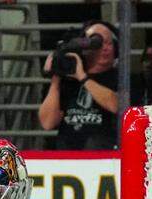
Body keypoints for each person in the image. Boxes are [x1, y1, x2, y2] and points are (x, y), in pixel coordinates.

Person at [38, 20, 119, 150]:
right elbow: (47, 123)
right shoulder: (68, 80)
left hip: (105, 157)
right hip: (68, 156)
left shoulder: (121, 77)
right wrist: (56, 79)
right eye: (98, 43)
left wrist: (82, 77)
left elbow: (116, 105)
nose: (105, 48)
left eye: (109, 43)